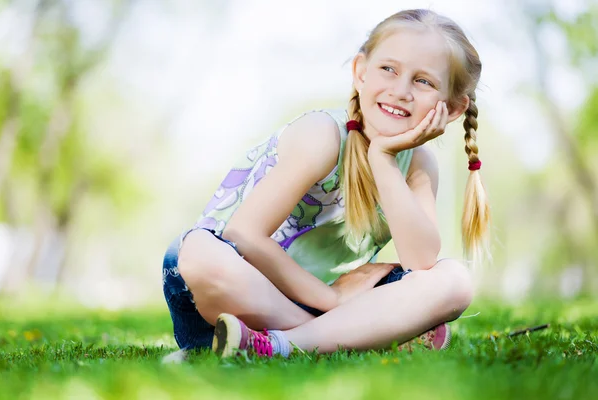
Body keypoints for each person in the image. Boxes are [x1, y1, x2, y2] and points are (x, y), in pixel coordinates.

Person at [162, 8, 490, 358]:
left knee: (454, 281)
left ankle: (276, 346)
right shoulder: (323, 135)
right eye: (388, 69)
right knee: (199, 251)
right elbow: (243, 235)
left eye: (423, 81)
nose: (401, 91)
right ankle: (342, 337)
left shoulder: (419, 165)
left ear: (452, 109)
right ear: (361, 73)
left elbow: (420, 261)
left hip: (321, 301)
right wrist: (332, 300)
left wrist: (383, 158)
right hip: (238, 288)